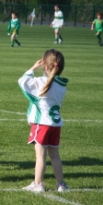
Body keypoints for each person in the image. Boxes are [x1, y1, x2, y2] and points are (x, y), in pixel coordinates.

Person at [18, 49, 69, 192]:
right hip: (55, 125)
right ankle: (61, 184)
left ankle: (38, 184)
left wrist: (32, 68)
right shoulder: (62, 85)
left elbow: (22, 82)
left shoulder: (41, 82)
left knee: (40, 155)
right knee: (55, 156)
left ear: (45, 66)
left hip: (42, 124)